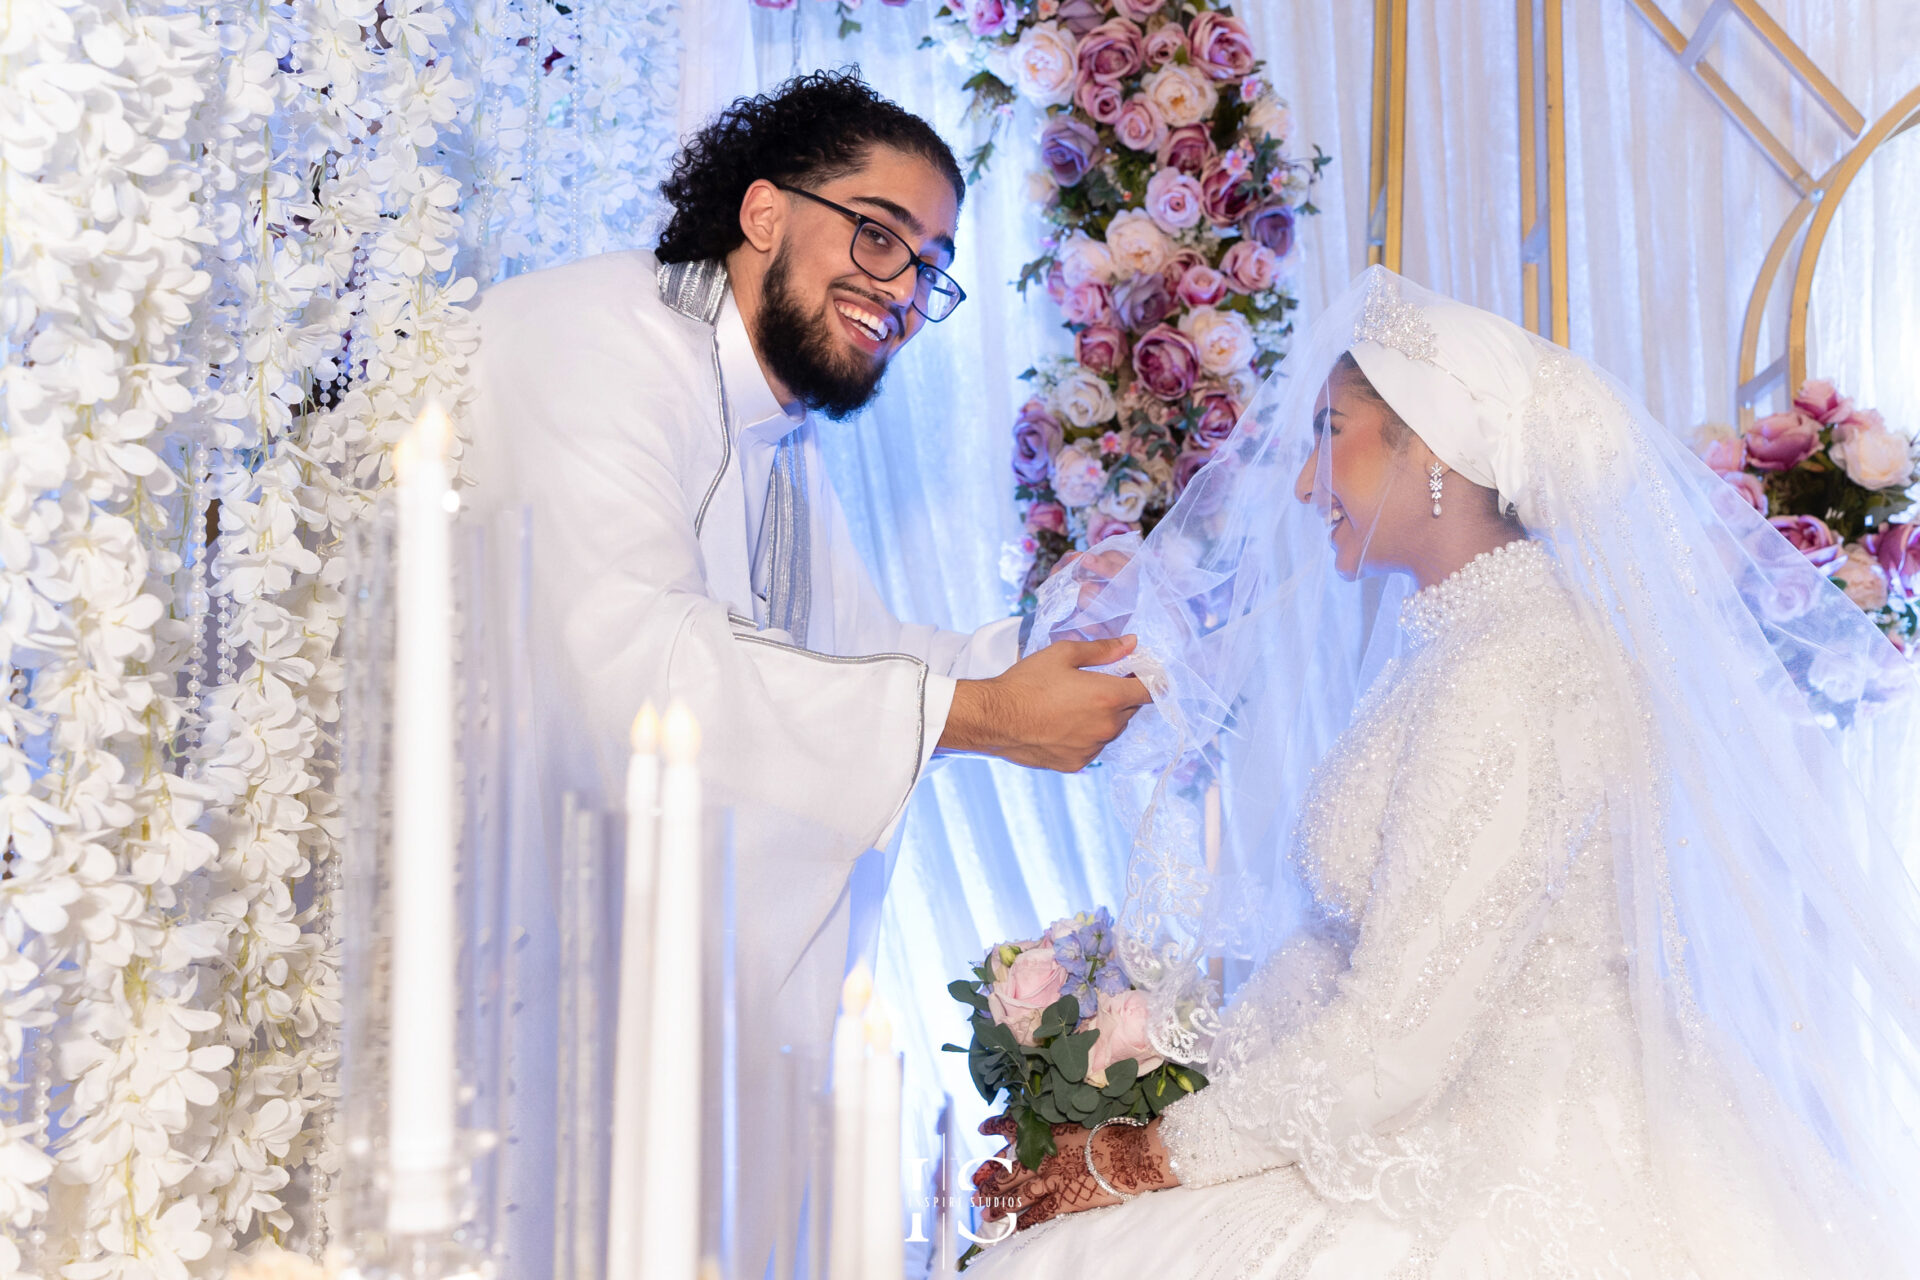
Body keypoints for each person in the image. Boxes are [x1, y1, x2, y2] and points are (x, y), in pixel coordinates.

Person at [964, 267, 1920, 1278]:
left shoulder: (1515, 667)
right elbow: (1352, 966)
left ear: (1430, 447)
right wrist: (1175, 1054)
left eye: (1329, 431)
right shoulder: (1466, 640)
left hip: (1516, 1158)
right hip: (1436, 1108)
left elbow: (1399, 1035)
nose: (1301, 483)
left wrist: (1136, 1157)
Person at [462, 71, 1149, 1276]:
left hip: (698, 1008)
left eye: (928, 267)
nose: (899, 288)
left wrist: (1053, 642)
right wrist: (982, 712)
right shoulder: (602, 343)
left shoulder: (763, 416)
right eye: (877, 234)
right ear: (765, 212)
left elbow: (847, 650)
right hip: (541, 977)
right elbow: (631, 666)